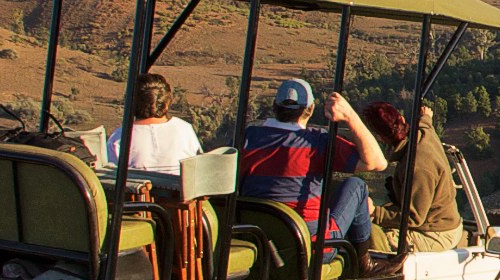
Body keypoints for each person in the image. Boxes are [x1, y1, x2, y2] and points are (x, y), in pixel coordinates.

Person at [237, 77, 388, 262]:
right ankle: (365, 266)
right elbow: (378, 162)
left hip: (259, 243)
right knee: (356, 186)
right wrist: (349, 115)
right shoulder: (316, 142)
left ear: (275, 107)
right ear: (310, 110)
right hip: (311, 248)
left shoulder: (247, 137)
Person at [365, 97, 462, 254]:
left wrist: (374, 212)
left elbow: (413, 218)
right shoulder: (423, 133)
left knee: (375, 237)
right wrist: (425, 117)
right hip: (434, 220)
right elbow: (425, 125)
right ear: (402, 119)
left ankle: (384, 276)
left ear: (380, 138)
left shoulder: (418, 167)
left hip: (437, 232)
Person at [107, 72, 204, 175]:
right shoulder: (184, 130)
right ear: (166, 103)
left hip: (138, 190)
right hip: (178, 189)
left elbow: (111, 177)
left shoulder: (119, 138)